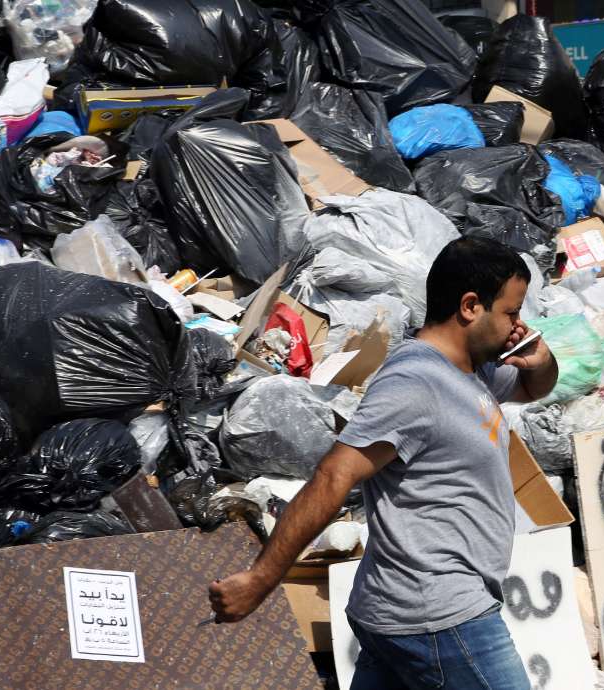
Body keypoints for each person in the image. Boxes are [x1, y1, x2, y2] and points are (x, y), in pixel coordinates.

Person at [208, 237, 557, 689]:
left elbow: (535, 388)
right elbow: (336, 474)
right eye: (510, 312)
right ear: (471, 306)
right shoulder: (415, 381)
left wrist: (540, 357)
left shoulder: (475, 371)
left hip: (402, 612)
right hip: (439, 614)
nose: (517, 325)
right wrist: (261, 579)